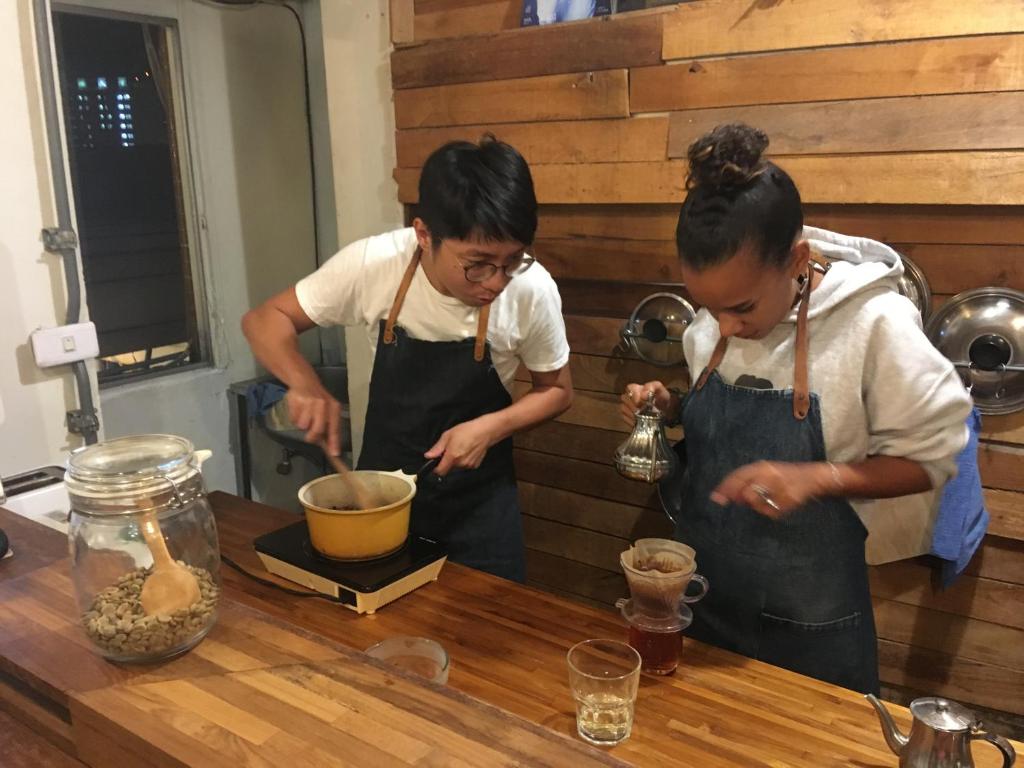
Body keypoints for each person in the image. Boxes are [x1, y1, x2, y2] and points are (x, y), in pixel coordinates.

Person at [620, 124, 971, 694]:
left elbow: (932, 460)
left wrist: (818, 477)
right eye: (709, 307)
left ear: (797, 258)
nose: (723, 326)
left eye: (741, 306)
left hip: (814, 625)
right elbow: (719, 414)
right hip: (705, 603)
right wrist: (671, 406)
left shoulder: (872, 323)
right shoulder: (711, 327)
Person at [243, 138, 573, 582]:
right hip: (376, 502)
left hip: (481, 509)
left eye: (512, 260)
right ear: (423, 235)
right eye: (477, 264)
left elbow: (556, 390)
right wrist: (302, 381)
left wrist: (489, 428)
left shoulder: (531, 289)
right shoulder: (374, 265)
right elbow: (266, 319)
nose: (496, 282)